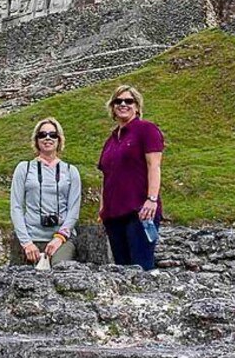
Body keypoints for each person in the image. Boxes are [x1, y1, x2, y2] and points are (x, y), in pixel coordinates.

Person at [98, 85, 164, 270]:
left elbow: (154, 165)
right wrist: (103, 210)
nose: (123, 104)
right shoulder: (110, 140)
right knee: (122, 268)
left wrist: (151, 199)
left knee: (141, 267)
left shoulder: (146, 130)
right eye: (118, 101)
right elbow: (106, 176)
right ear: (112, 107)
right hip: (114, 215)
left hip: (140, 211)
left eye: (129, 101)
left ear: (137, 106)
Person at [10, 117, 81, 265]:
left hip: (61, 238)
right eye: (42, 135)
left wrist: (59, 237)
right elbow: (16, 207)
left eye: (53, 135)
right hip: (30, 237)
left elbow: (74, 209)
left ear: (59, 139)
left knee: (61, 270)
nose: (47, 138)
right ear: (36, 140)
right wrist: (26, 242)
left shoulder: (71, 171)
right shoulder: (24, 168)